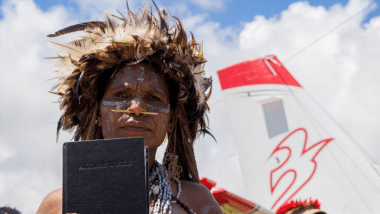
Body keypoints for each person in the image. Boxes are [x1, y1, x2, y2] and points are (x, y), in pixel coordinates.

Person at [37, 2, 222, 214]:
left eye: (153, 97)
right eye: (121, 95)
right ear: (97, 113)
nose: (135, 108)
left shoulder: (197, 202)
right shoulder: (58, 205)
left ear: (171, 121)